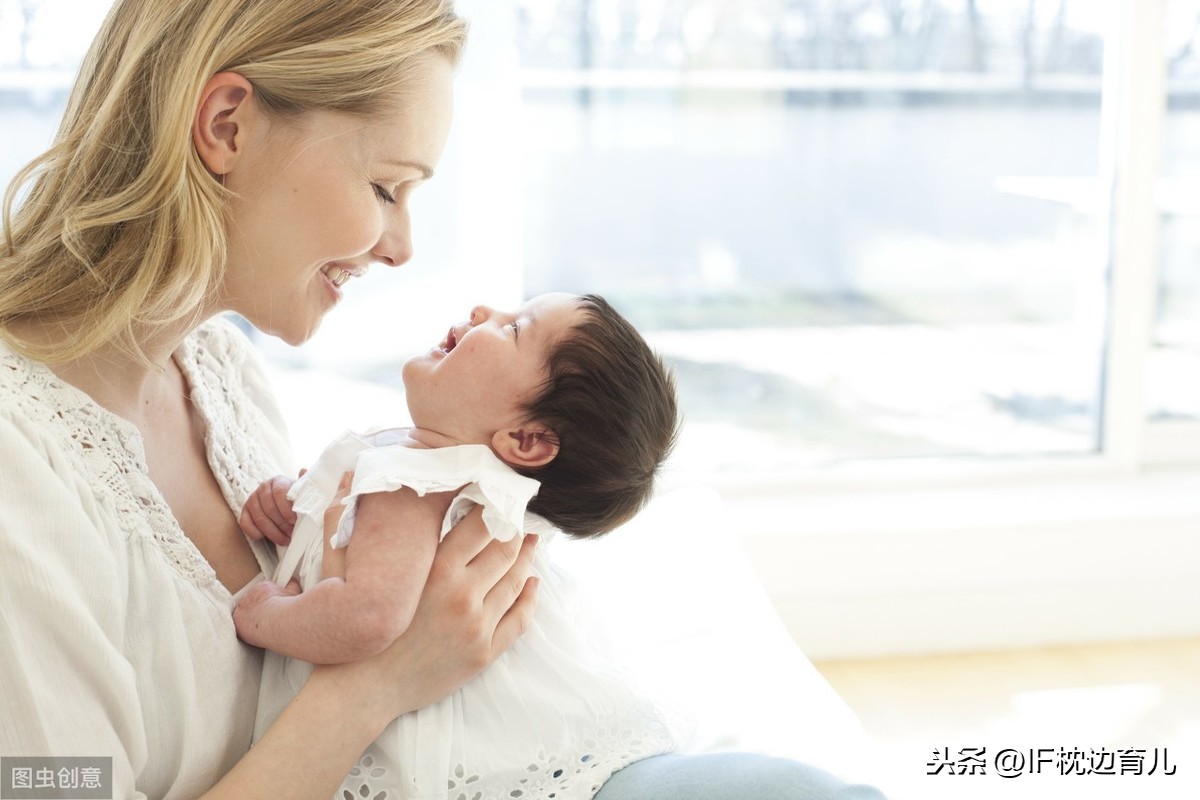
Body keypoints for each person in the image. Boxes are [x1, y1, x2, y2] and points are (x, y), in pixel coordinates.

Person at [0, 0, 887, 797]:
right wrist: (378, 685)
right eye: (386, 187)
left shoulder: (219, 375)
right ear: (227, 125)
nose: (401, 246)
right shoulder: (19, 471)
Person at [234, 292, 682, 799]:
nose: (482, 312)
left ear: (527, 440)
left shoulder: (411, 485)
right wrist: (300, 504)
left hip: (440, 751)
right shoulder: (452, 482)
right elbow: (363, 544)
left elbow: (369, 615)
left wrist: (266, 617)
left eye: (515, 329)